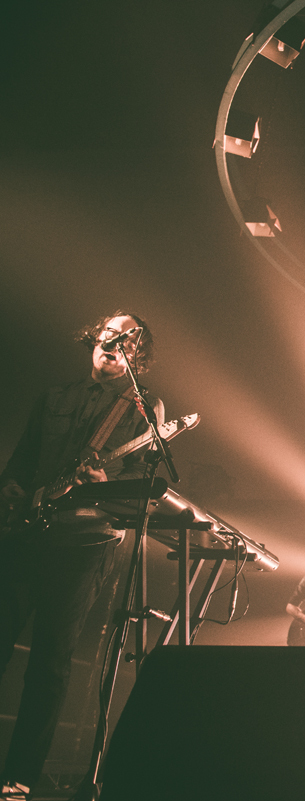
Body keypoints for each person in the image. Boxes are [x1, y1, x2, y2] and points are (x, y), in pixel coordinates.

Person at [0, 312, 162, 801]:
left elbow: (145, 493)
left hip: (85, 545)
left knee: (50, 663)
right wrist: (12, 488)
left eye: (126, 337)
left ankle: (18, 779)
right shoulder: (55, 396)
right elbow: (21, 461)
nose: (112, 340)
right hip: (26, 535)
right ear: (95, 339)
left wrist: (106, 484)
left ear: (137, 355)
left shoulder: (142, 410)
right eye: (108, 331)